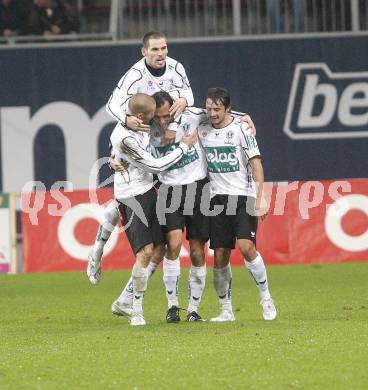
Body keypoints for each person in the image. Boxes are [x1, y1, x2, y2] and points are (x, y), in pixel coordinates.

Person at [87, 31, 195, 281]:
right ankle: (97, 250)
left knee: (126, 202)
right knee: (121, 199)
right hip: (134, 137)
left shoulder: (176, 67)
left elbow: (189, 95)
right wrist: (128, 120)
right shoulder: (135, 74)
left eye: (164, 48)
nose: (160, 54)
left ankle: (129, 289)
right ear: (143, 52)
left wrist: (181, 100)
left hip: (157, 140)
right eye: (155, 50)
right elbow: (112, 105)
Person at [90, 93, 197, 326]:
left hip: (148, 190)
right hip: (132, 196)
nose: (156, 121)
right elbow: (155, 165)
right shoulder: (126, 138)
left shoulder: (138, 126)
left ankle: (125, 300)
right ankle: (135, 309)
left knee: (159, 249)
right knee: (145, 252)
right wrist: (184, 147)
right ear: (140, 116)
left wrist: (112, 158)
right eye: (152, 117)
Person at [112, 91, 211, 323]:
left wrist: (243, 117)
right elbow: (126, 147)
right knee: (172, 245)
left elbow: (218, 114)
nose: (163, 120)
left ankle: (194, 309)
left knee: (197, 250)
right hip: (168, 190)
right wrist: (113, 159)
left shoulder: (190, 114)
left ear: (174, 109)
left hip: (197, 188)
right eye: (158, 116)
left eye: (167, 115)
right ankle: (173, 307)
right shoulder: (145, 129)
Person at [198, 87, 277, 322]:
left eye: (217, 109)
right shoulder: (201, 128)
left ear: (228, 108)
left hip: (243, 196)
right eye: (209, 108)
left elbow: (256, 163)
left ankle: (266, 298)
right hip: (217, 199)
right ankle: (226, 310)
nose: (211, 113)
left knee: (246, 247)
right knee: (220, 255)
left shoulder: (242, 129)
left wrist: (260, 197)